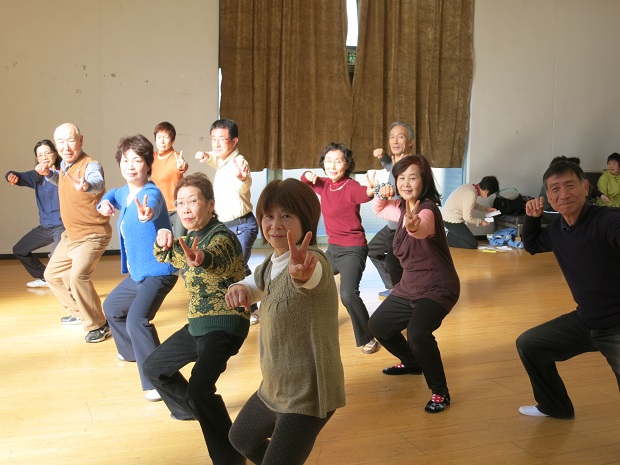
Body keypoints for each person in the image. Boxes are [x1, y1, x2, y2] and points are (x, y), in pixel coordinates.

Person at [225, 178, 346, 465]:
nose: (275, 224)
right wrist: (238, 287)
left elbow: (310, 279)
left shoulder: (313, 262)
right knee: (240, 439)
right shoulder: (271, 262)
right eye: (269, 216)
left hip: (308, 394)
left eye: (287, 215)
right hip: (275, 386)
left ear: (306, 220)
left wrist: (302, 275)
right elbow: (255, 284)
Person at [143, 172, 248, 465]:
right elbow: (170, 256)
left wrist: (202, 259)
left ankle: (231, 458)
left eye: (193, 201)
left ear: (210, 204)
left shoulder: (222, 237)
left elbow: (216, 258)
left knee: (200, 390)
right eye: (180, 203)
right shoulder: (191, 237)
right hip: (199, 324)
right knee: (154, 368)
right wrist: (162, 238)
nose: (185, 208)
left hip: (224, 324)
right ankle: (191, 410)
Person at [516, 160, 620, 419]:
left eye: (570, 186)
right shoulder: (558, 230)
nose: (563, 194)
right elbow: (532, 245)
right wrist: (532, 218)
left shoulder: (606, 220)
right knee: (530, 344)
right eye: (555, 189)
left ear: (585, 187)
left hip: (617, 326)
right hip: (586, 321)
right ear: (548, 196)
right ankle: (554, 406)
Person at [369, 155, 460, 413]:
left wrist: (414, 226)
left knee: (418, 334)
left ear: (424, 181)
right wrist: (381, 193)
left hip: (438, 286)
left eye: (412, 177)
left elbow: (423, 227)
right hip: (410, 286)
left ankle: (440, 392)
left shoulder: (427, 209)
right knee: (377, 325)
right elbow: (379, 209)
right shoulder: (400, 207)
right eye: (401, 178)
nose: (406, 183)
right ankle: (411, 362)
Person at [97, 135, 178, 401]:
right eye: (125, 160)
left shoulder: (150, 193)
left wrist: (147, 214)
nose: (130, 166)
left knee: (137, 321)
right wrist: (105, 203)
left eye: (137, 160)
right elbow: (112, 194)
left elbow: (151, 206)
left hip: (158, 273)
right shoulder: (125, 193)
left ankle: (156, 381)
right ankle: (133, 352)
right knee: (112, 308)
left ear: (148, 164)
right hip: (138, 274)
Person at [36, 123, 112, 343]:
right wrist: (49, 174)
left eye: (70, 140)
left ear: (80, 140)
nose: (66, 146)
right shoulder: (64, 166)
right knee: (51, 275)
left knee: (78, 276)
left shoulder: (91, 165)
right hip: (71, 235)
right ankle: (80, 313)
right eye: (61, 142)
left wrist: (87, 185)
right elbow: (63, 180)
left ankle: (99, 325)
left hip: (92, 234)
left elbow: (97, 183)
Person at [301, 142, 378, 354]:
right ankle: (309, 326)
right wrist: (308, 174)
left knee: (347, 294)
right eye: (328, 161)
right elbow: (304, 181)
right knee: (307, 279)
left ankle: (368, 336)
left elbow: (364, 194)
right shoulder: (325, 184)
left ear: (347, 165)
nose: (332, 166)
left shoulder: (351, 187)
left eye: (338, 161)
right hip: (333, 250)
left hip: (353, 249)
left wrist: (371, 191)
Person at [195, 118, 259, 323]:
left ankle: (246, 310)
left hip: (242, 226)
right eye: (213, 139)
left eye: (221, 139)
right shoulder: (223, 159)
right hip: (227, 226)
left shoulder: (239, 163)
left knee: (234, 268)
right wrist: (207, 157)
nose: (216, 144)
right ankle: (253, 306)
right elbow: (216, 158)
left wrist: (242, 178)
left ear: (234, 141)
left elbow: (244, 184)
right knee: (239, 267)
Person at [5, 140, 64, 288]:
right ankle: (44, 277)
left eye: (47, 153)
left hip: (62, 226)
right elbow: (16, 175)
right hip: (45, 227)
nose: (44, 157)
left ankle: (61, 283)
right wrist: (10, 175)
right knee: (20, 249)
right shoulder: (36, 176)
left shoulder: (63, 174)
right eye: (40, 155)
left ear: (55, 154)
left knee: (56, 259)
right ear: (37, 159)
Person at [368, 122, 413, 300]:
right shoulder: (396, 162)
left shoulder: (411, 166)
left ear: (410, 141)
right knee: (372, 250)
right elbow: (390, 167)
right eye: (392, 137)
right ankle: (394, 287)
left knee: (394, 263)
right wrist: (383, 157)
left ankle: (402, 292)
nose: (395, 141)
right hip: (392, 224)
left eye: (400, 137)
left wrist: (388, 192)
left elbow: (412, 192)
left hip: (405, 225)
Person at [150, 121, 188, 237]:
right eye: (159, 137)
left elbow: (182, 166)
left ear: (172, 140)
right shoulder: (152, 158)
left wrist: (182, 166)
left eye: (166, 137)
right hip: (159, 210)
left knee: (179, 242)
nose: (162, 141)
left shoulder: (176, 157)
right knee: (161, 243)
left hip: (177, 209)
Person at [442, 176, 500, 249]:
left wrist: (486, 209)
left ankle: (445, 234)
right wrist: (480, 222)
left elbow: (470, 204)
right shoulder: (471, 194)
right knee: (473, 244)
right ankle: (443, 237)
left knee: (469, 241)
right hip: (451, 221)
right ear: (486, 191)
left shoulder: (470, 187)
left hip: (447, 218)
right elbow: (467, 218)